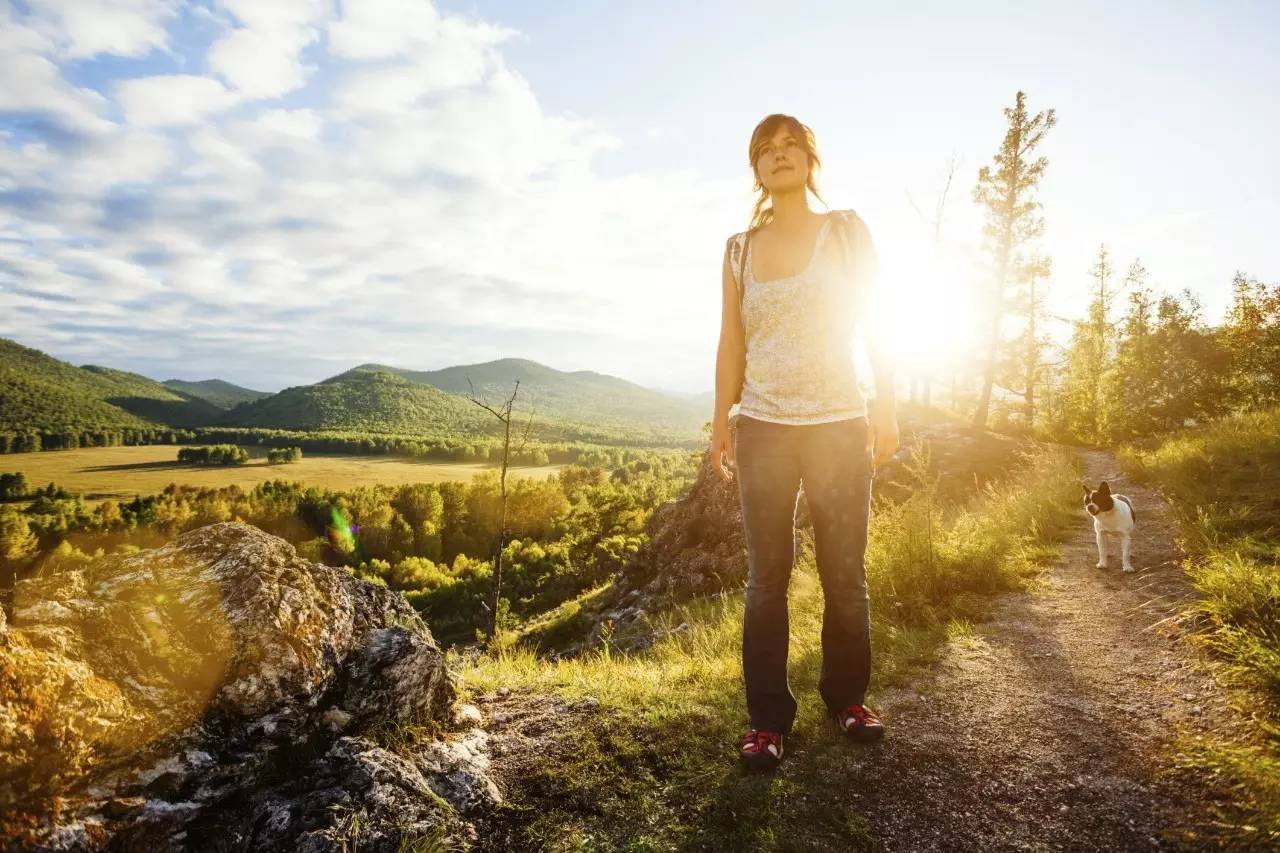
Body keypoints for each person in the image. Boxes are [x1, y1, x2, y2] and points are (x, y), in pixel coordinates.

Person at [710, 113, 899, 771]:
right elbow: (732, 341)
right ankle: (767, 721)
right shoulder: (738, 248)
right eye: (765, 148)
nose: (778, 154)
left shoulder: (846, 231)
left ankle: (848, 698)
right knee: (767, 578)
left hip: (840, 422)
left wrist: (887, 405)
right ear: (756, 169)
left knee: (844, 572)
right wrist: (720, 423)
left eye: (790, 144)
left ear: (810, 158)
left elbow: (878, 321)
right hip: (761, 426)